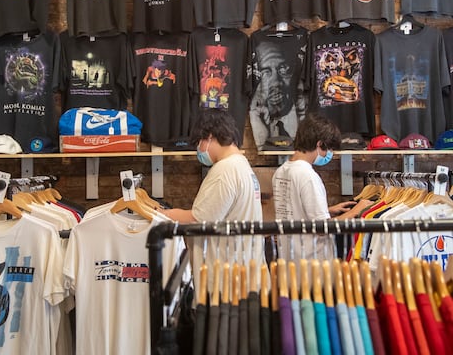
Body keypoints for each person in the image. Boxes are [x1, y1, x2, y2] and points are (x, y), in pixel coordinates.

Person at [159, 108, 264, 295]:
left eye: (198, 143)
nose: (199, 150)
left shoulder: (225, 170)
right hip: (242, 271)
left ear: (208, 137)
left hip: (226, 280)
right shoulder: (241, 164)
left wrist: (161, 214)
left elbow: (198, 220)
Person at [272, 113, 372, 260]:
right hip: (313, 264)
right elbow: (322, 228)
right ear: (319, 145)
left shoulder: (281, 171)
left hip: (289, 259)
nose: (329, 154)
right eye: (329, 149)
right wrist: (355, 211)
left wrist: (327, 211)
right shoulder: (308, 176)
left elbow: (293, 212)